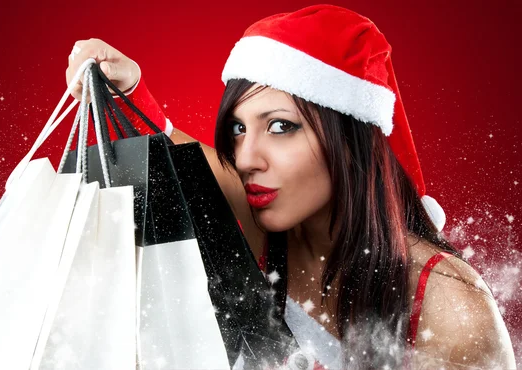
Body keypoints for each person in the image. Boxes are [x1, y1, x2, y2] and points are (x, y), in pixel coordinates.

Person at [66, 4, 516, 369]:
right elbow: (175, 150)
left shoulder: (449, 306)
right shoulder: (263, 210)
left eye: (281, 126)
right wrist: (124, 86)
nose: (245, 159)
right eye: (239, 129)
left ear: (351, 140)